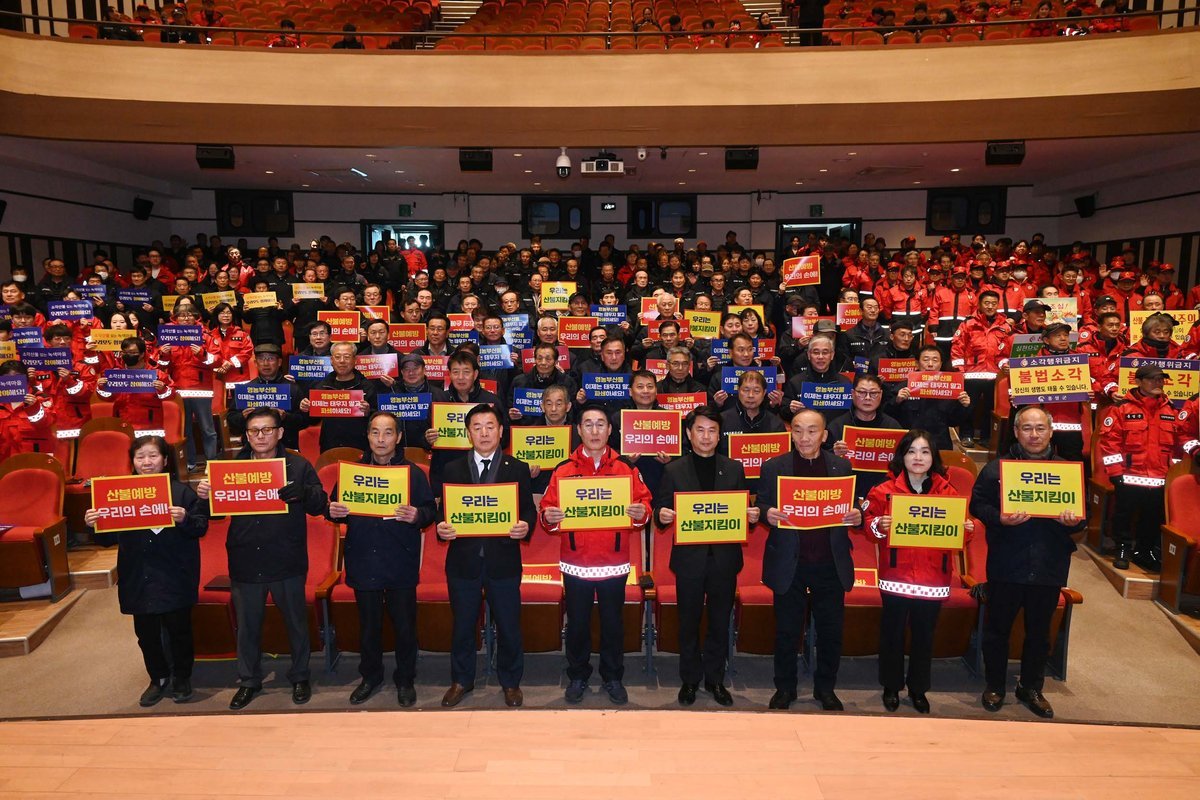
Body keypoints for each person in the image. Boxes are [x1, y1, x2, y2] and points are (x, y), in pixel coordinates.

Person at [196, 408, 328, 710]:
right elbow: (211, 515)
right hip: (245, 557)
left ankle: (300, 676)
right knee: (248, 626)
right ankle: (249, 680)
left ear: (280, 432)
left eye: (267, 430)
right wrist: (204, 497)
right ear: (246, 435)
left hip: (286, 557)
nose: (260, 436)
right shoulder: (230, 469)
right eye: (254, 431)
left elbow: (320, 504)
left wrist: (304, 492)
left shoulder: (298, 465)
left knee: (296, 623)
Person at [969, 406, 1086, 719]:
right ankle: (995, 685)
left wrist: (1072, 522)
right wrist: (1000, 518)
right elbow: (977, 505)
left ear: (1050, 431)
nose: (1034, 435)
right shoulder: (996, 469)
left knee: (1039, 633)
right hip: (1007, 562)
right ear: (1016, 432)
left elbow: (1082, 519)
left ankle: (1032, 687)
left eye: (1040, 428)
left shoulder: (1068, 472)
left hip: (1049, 564)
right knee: (997, 629)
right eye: (1027, 428)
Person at [539, 404, 653, 705]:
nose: (594, 430)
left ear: (610, 430)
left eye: (600, 424)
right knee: (577, 624)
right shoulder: (564, 469)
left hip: (614, 563)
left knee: (612, 624)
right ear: (578, 430)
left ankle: (613, 676)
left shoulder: (626, 468)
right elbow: (546, 511)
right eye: (588, 424)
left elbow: (645, 507)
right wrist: (549, 517)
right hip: (575, 563)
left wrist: (640, 514)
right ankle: (577, 675)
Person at [83, 435, 208, 706]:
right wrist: (93, 524)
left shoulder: (181, 492)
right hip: (138, 575)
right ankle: (158, 678)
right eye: (140, 457)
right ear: (133, 461)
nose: (147, 462)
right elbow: (107, 539)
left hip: (174, 573)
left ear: (165, 460)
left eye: (153, 456)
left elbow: (200, 528)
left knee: (179, 630)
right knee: (146, 634)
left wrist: (184, 518)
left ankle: (182, 677)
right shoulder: (117, 493)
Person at [756, 409, 862, 711]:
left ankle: (825, 688)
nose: (804, 437)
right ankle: (784, 688)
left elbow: (853, 507)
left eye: (812, 431)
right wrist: (766, 513)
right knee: (787, 631)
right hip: (790, 562)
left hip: (830, 562)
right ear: (791, 433)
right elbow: (761, 503)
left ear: (824, 435)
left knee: (830, 632)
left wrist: (858, 516)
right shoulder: (774, 466)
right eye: (798, 430)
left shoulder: (841, 467)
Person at [328, 412, 436, 707]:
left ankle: (405, 679)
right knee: (368, 626)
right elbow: (336, 507)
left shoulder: (412, 472)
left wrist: (417, 515)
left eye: (388, 433)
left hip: (400, 558)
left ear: (398, 437)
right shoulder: (353, 472)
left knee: (405, 627)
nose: (381, 439)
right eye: (375, 432)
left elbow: (430, 510)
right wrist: (333, 511)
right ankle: (370, 677)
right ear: (367, 436)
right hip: (364, 557)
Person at [860, 431, 972, 714]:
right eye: (911, 451)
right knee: (892, 634)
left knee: (924, 636)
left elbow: (960, 533)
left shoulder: (948, 492)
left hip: (933, 578)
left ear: (934, 457)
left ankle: (919, 689)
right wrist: (879, 525)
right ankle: (891, 686)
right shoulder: (883, 490)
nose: (918, 457)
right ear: (902, 456)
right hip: (896, 576)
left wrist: (967, 530)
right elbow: (868, 526)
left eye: (925, 452)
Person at [654, 407, 760, 706]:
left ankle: (715, 680)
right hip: (689, 560)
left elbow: (742, 512)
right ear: (689, 434)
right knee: (688, 621)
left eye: (712, 430)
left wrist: (751, 517)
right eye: (699, 430)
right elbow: (660, 510)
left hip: (724, 560)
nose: (706, 436)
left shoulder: (734, 468)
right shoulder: (674, 470)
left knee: (718, 622)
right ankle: (689, 680)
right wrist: (662, 515)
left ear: (719, 435)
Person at [436, 404, 537, 708]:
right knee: (463, 625)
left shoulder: (516, 468)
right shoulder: (452, 469)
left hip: (503, 560)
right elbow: (444, 512)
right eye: (477, 427)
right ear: (468, 433)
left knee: (508, 625)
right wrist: (442, 527)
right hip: (463, 561)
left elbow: (528, 510)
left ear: (501, 431)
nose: (484, 433)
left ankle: (511, 682)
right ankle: (461, 680)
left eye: (490, 426)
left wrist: (525, 526)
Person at [1099, 364, 1184, 572]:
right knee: (1124, 515)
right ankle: (1122, 549)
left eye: (1161, 379)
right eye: (1152, 379)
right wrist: (1116, 473)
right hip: (1129, 476)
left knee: (1153, 518)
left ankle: (1144, 552)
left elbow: (1177, 447)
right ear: (1138, 382)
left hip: (1160, 477)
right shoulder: (1121, 409)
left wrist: (1173, 475)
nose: (1158, 383)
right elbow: (1109, 443)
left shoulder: (1171, 409)